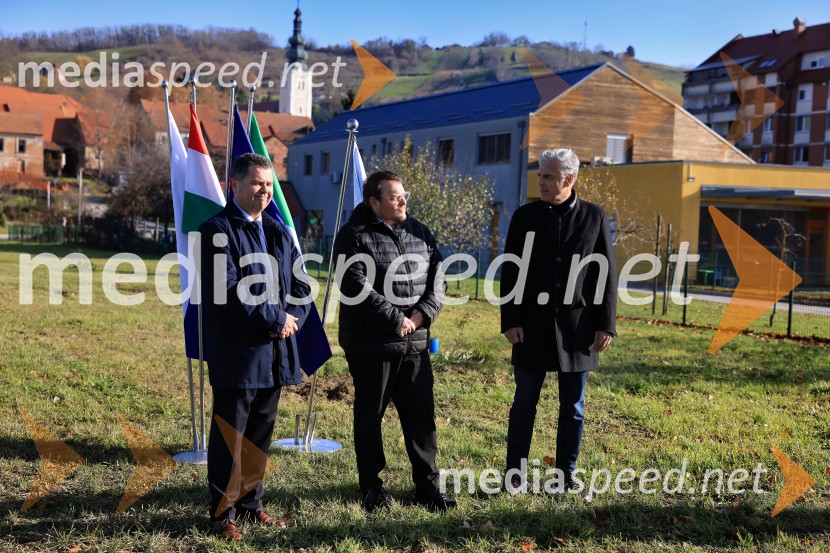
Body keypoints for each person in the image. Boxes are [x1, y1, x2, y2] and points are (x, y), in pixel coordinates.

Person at [199, 153, 311, 541]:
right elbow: (227, 291)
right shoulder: (216, 230)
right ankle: (222, 514)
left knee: (259, 435)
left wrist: (291, 317)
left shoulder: (279, 232)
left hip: (277, 353)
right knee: (231, 436)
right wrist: (276, 319)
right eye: (256, 183)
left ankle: (250, 506)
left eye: (269, 184)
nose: (265, 191)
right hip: (238, 353)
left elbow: (302, 287)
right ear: (235, 185)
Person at [333, 170, 455, 512]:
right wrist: (394, 318)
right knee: (370, 417)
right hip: (371, 344)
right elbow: (353, 284)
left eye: (404, 195)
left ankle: (428, 486)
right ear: (374, 202)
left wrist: (420, 317)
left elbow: (439, 278)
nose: (402, 201)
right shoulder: (352, 235)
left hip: (414, 341)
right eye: (394, 196)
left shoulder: (420, 232)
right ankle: (371, 486)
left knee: (421, 417)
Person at [500, 148, 617, 492]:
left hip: (577, 329)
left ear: (568, 179)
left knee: (574, 409)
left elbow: (605, 274)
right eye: (539, 176)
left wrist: (605, 323)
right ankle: (513, 476)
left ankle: (566, 475)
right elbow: (511, 272)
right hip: (530, 327)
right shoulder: (525, 217)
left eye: (548, 177)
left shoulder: (594, 217)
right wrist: (510, 320)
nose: (542, 182)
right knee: (524, 404)